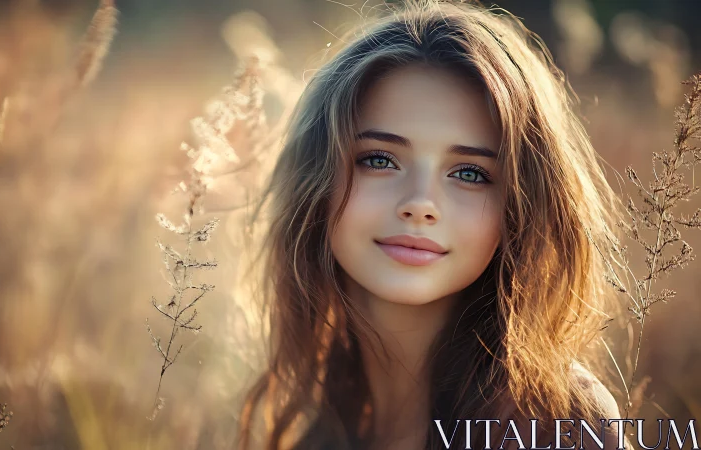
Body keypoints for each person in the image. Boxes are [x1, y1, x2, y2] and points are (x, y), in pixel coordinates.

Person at [237, 1, 628, 448]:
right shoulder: (319, 435)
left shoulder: (558, 423)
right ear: (316, 182)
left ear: (522, 208)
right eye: (379, 160)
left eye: (470, 173)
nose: (421, 204)